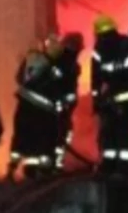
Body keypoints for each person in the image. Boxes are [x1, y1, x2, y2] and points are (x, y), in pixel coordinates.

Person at [91, 15, 128, 170]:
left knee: (114, 130)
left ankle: (115, 164)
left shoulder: (104, 48)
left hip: (121, 97)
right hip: (122, 98)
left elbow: (96, 79)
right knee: (120, 130)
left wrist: (97, 101)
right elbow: (96, 79)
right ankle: (119, 164)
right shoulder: (127, 45)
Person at [7, 35, 65, 180]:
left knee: (22, 136)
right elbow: (56, 89)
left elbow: (18, 78)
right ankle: (42, 169)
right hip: (41, 110)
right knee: (42, 138)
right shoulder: (53, 69)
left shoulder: (32, 59)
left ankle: (13, 168)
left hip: (23, 104)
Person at [52, 32, 84, 170]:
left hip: (62, 105)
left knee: (62, 132)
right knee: (60, 133)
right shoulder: (66, 62)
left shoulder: (66, 61)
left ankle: (56, 163)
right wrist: (65, 103)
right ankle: (55, 163)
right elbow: (63, 85)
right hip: (60, 106)